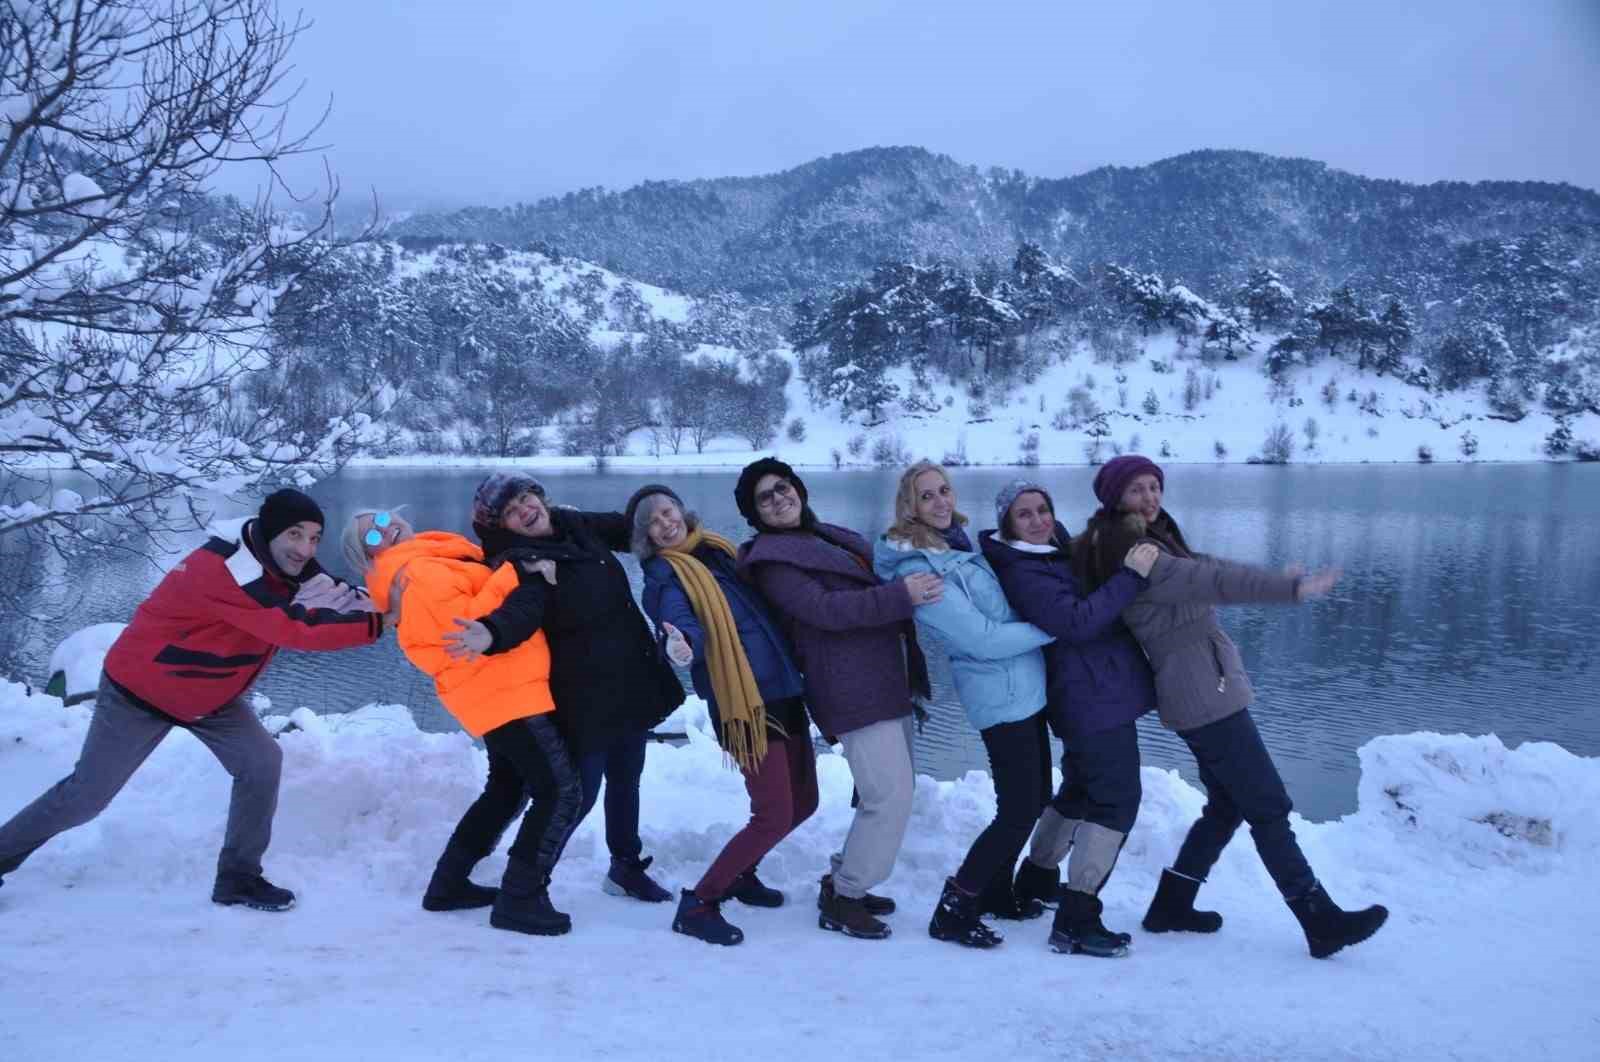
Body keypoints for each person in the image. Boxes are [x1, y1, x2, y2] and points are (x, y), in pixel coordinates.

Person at [0, 489, 384, 911]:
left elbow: (333, 594)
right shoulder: (224, 570)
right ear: (270, 530)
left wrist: (395, 603)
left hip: (211, 697)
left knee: (261, 763)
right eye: (295, 534)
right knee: (86, 797)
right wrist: (378, 626)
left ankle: (238, 879)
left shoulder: (284, 563)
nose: (305, 548)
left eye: (314, 538)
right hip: (140, 693)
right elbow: (297, 628)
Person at [1075, 455, 1389, 959]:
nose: (1151, 497)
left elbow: (1209, 568)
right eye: (1137, 490)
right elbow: (1210, 582)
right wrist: (1288, 588)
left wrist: (1273, 578)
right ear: (1115, 498)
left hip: (1200, 686)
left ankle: (1173, 902)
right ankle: (1318, 918)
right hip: (1204, 694)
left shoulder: (1150, 541)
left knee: (1227, 804)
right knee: (1267, 803)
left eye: (1155, 486)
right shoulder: (1136, 552)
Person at [344, 507, 581, 936]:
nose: (386, 528)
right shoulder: (416, 571)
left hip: (496, 685)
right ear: (367, 556)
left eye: (382, 519)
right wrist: (517, 574)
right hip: (501, 686)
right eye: (372, 536)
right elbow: (461, 632)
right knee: (560, 790)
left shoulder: (428, 559)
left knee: (509, 789)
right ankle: (520, 898)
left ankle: (448, 885)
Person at [734, 457, 934, 941]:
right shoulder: (772, 560)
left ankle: (847, 877)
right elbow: (825, 610)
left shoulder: (829, 535)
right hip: (849, 687)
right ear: (755, 512)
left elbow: (879, 572)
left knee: (886, 792)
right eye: (766, 497)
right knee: (890, 797)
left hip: (887, 677)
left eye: (784, 487)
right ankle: (845, 896)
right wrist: (901, 596)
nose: (780, 498)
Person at [462, 474, 683, 905]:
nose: (526, 509)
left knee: (628, 778)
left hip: (629, 677)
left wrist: (667, 517)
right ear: (502, 525)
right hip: (582, 695)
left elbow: (631, 527)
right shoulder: (518, 561)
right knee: (579, 795)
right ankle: (525, 884)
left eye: (527, 497)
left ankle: (625, 866)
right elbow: (520, 611)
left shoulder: (574, 524)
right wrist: (491, 632)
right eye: (511, 510)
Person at [872, 462, 1056, 949]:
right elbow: (983, 638)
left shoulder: (956, 546)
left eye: (944, 491)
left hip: (1024, 687)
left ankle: (996, 890)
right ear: (909, 506)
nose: (940, 502)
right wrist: (1061, 624)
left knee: (1035, 799)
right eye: (926, 496)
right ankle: (955, 906)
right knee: (1016, 811)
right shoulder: (920, 568)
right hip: (998, 695)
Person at [629, 484, 818, 947]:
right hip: (745, 704)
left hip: (784, 688)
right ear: (647, 537)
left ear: (682, 510)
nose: (665, 523)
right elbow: (678, 621)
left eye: (667, 511)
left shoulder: (718, 552)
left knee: (806, 801)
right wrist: (680, 644)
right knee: (773, 814)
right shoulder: (666, 577)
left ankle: (742, 873)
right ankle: (700, 901)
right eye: (653, 522)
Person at [982, 479, 1159, 957]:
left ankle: (1038, 879)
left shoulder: (1051, 548)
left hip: (1091, 691)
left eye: (1043, 509)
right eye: (1025, 514)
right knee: (1118, 799)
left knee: (1081, 789)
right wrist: (1131, 576)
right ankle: (1077, 918)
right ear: (1007, 523)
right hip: (1089, 697)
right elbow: (1076, 622)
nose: (1039, 519)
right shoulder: (1022, 570)